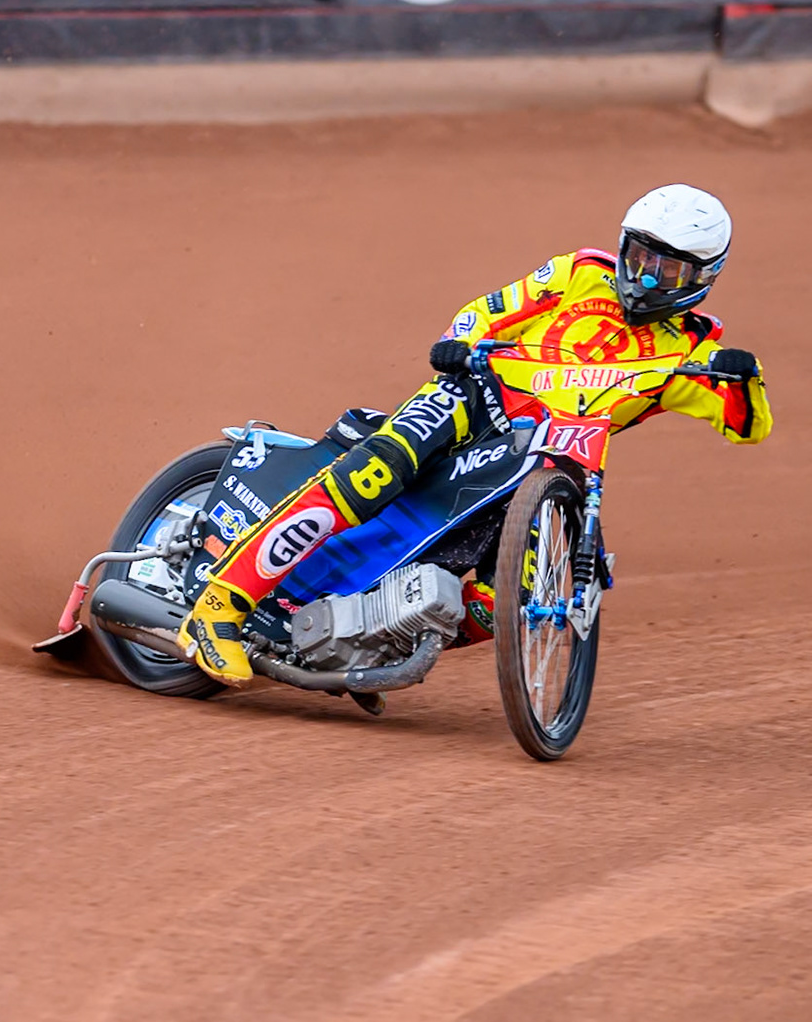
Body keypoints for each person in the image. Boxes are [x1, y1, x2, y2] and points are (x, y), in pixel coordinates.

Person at [176, 183, 773, 687]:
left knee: (497, 608)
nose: (645, 275)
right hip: (477, 396)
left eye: (667, 268)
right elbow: (485, 312)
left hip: (553, 460)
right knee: (373, 475)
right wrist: (459, 344)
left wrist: (746, 379)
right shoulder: (577, 274)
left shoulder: (696, 349)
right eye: (640, 255)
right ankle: (221, 605)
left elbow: (748, 427)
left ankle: (374, 643)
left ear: (703, 276)